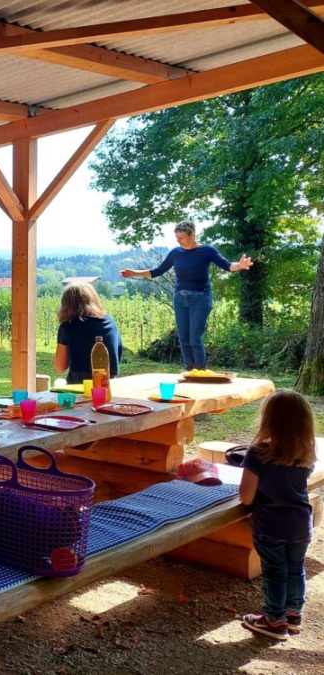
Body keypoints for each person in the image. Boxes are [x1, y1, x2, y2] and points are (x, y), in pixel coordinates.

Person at [238, 390, 317, 641]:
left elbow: (246, 497)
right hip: (300, 526)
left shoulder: (258, 453)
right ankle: (293, 615)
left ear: (268, 420)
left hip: (270, 527)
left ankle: (274, 620)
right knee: (295, 569)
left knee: (275, 572)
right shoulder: (305, 455)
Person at [120, 220, 252, 370]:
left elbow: (227, 265)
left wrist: (239, 266)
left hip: (201, 298)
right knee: (183, 338)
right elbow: (157, 271)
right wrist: (134, 273)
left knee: (195, 338)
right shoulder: (176, 253)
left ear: (193, 235)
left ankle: (201, 371)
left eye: (181, 237)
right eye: (177, 238)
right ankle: (189, 370)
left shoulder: (207, 250)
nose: (179, 241)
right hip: (180, 299)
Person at [54, 282, 123, 384]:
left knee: (58, 383)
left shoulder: (67, 327)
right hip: (109, 385)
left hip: (80, 386)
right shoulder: (110, 322)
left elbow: (60, 367)